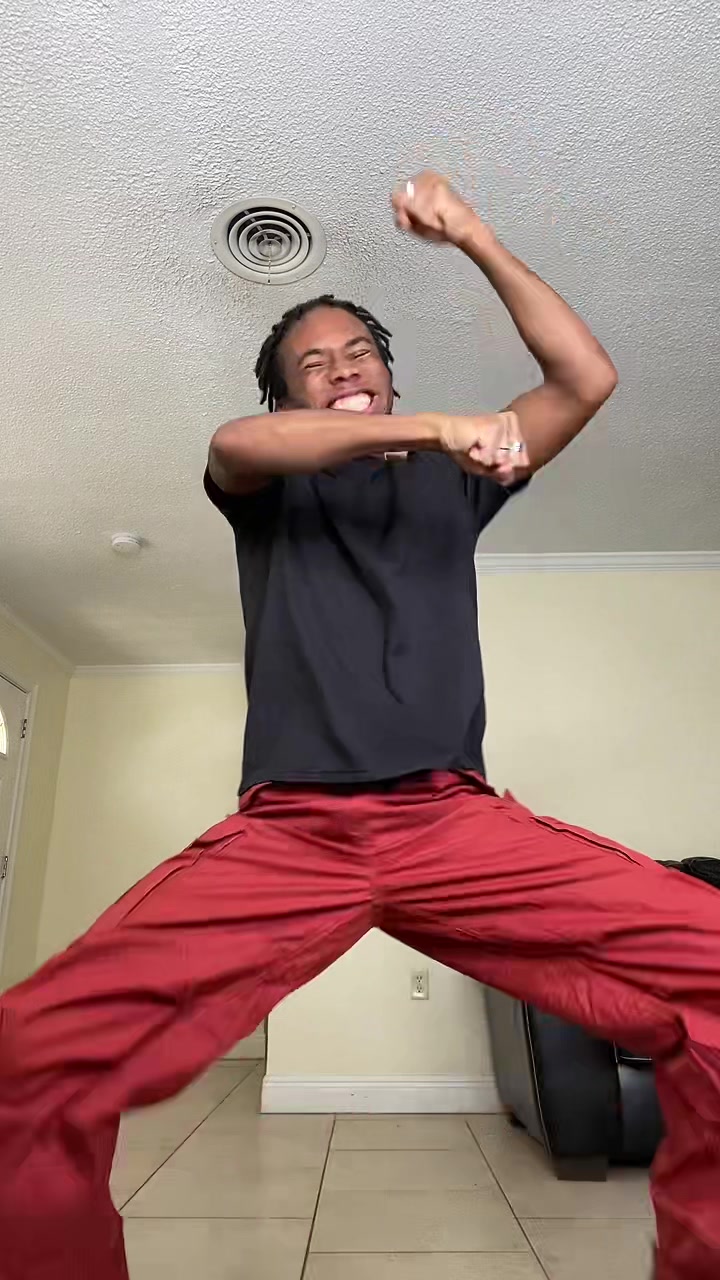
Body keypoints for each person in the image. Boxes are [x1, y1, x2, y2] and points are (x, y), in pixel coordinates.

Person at [0, 171, 717, 1280]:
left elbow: (586, 378)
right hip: (289, 832)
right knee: (27, 1065)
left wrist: (474, 233)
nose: (342, 368)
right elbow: (236, 441)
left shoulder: (457, 490)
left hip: (455, 825)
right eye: (313, 363)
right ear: (288, 396)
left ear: (386, 370)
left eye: (359, 353)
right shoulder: (269, 487)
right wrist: (437, 426)